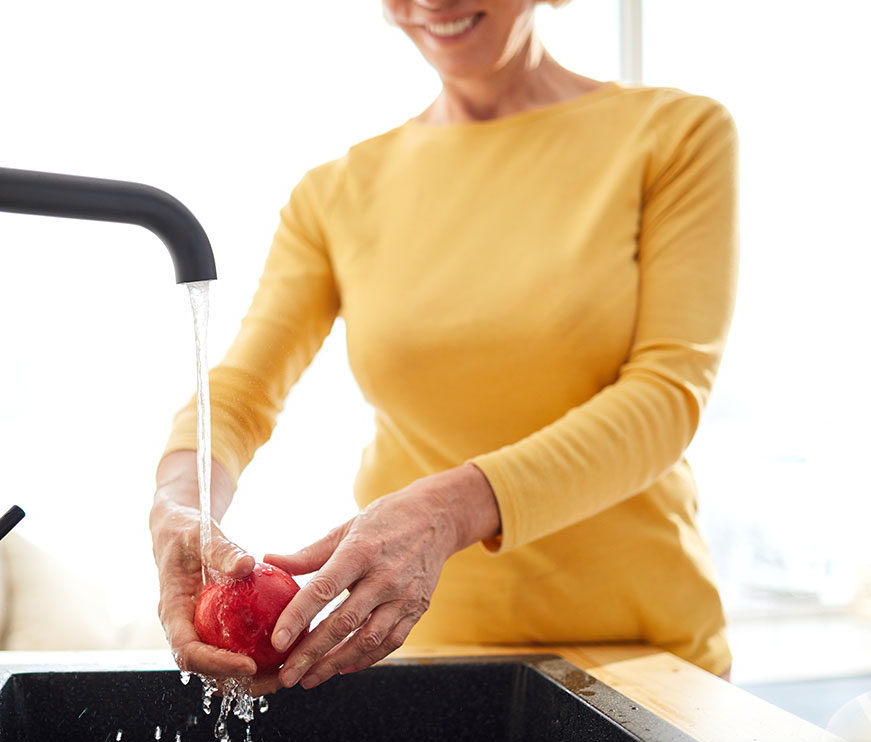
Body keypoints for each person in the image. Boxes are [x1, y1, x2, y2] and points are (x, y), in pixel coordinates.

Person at [149, 0, 738, 694]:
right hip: (421, 662)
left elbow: (667, 397)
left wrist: (449, 510)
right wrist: (178, 505)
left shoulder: (675, 135)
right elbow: (243, 392)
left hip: (643, 662)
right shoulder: (335, 193)